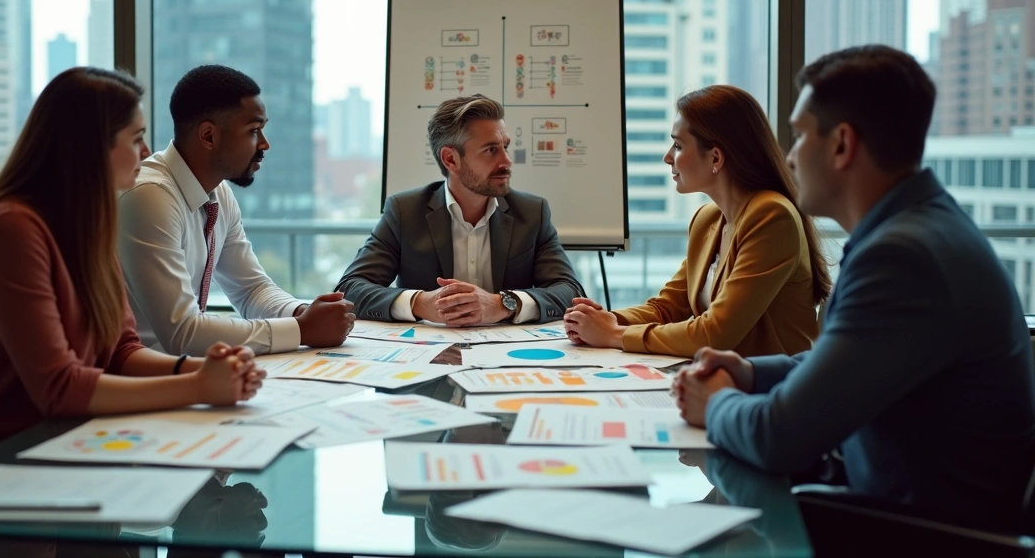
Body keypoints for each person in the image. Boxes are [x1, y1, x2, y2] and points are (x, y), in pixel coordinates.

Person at [674, 45, 1035, 522]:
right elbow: (844, 360)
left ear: (842, 145)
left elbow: (778, 437)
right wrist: (751, 374)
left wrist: (716, 401)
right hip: (887, 508)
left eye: (801, 136)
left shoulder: (902, 259)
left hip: (916, 537)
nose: (790, 156)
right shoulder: (917, 229)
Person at [0, 67, 265, 450]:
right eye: (136, 139)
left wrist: (204, 369)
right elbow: (59, 388)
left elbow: (121, 353)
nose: (147, 153)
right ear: (90, 146)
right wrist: (196, 386)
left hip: (64, 443)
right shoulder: (11, 231)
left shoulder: (87, 224)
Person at [564, 85, 829, 358]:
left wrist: (614, 334)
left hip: (769, 388)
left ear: (715, 157)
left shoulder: (772, 215)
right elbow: (667, 308)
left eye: (678, 145)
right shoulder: (708, 219)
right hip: (722, 378)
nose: (668, 157)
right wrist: (602, 319)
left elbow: (716, 333)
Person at [117, 65, 355, 356]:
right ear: (208, 136)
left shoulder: (218, 193)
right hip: (139, 376)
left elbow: (250, 290)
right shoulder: (150, 196)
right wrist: (302, 329)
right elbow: (183, 332)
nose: (265, 144)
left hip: (185, 371)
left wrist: (303, 312)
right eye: (254, 131)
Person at [336, 94, 584, 325]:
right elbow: (349, 289)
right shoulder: (405, 212)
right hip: (425, 356)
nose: (507, 161)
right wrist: (421, 303)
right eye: (490, 150)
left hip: (507, 357)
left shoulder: (531, 213)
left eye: (505, 146)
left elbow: (570, 291)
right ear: (451, 159)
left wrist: (502, 304)